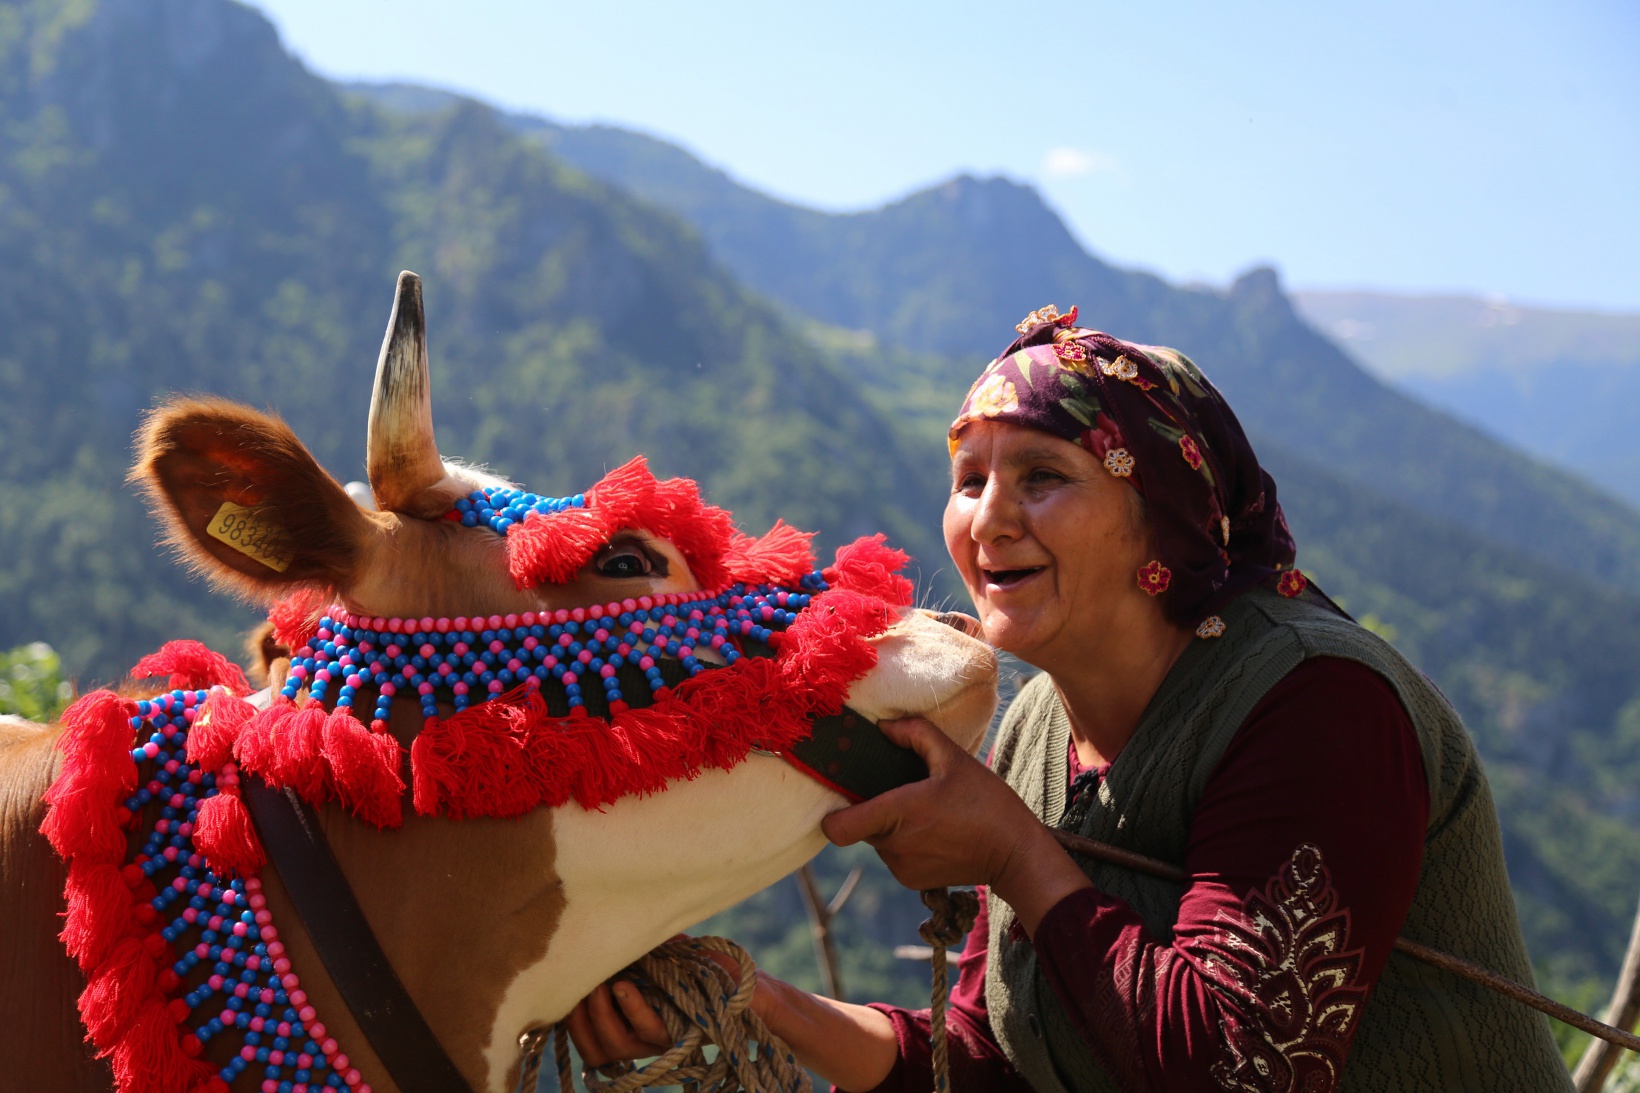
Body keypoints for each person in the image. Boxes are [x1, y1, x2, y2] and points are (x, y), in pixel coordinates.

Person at [568, 306, 1574, 1092]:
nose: (987, 520)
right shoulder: (1040, 730)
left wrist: (1013, 851)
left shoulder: (1314, 701)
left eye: (1042, 475)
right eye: (967, 479)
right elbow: (992, 1062)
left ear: (1159, 521)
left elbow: (1235, 1071)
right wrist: (756, 1004)